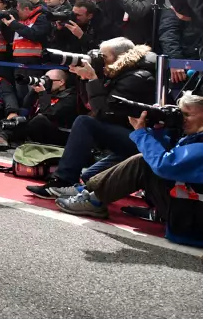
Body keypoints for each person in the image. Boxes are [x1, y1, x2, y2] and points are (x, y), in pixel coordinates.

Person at [54, 93, 203, 246]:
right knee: (145, 160)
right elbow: (168, 155)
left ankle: (93, 199)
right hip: (189, 212)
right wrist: (157, 132)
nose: (181, 119)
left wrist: (141, 135)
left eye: (187, 114)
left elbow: (165, 165)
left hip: (195, 223)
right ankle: (88, 191)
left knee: (142, 162)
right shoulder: (194, 138)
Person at [26, 37, 157, 198]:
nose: (99, 60)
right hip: (127, 138)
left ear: (121, 56)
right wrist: (84, 79)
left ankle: (63, 182)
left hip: (141, 141)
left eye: (104, 56)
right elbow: (87, 107)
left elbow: (105, 113)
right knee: (89, 180)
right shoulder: (116, 72)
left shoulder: (137, 77)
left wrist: (93, 79)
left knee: (85, 122)